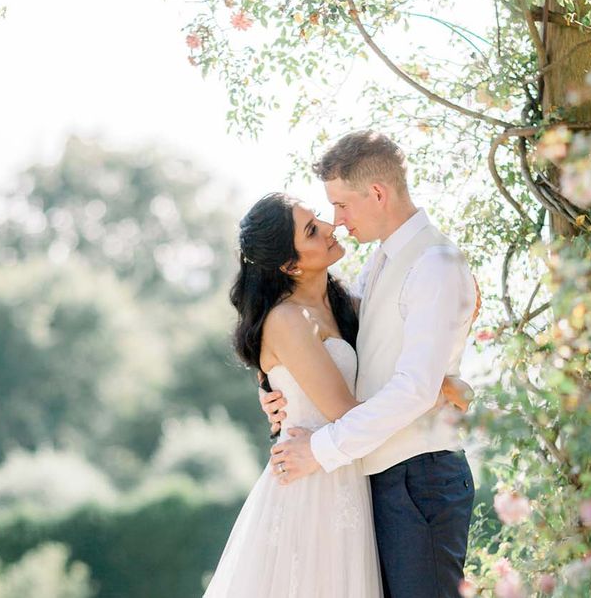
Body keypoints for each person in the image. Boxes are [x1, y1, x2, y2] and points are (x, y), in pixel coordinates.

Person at [203, 192, 472, 598]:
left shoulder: (345, 302)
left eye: (318, 219)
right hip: (313, 487)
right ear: (290, 265)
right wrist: (437, 391)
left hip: (349, 475)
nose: (330, 227)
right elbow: (346, 413)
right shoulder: (288, 319)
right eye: (312, 230)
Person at [265, 131, 478, 598]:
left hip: (420, 477)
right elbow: (339, 345)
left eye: (340, 205)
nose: (337, 223)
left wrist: (319, 450)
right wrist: (276, 388)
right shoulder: (382, 261)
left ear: (377, 193)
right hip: (380, 477)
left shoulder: (434, 264)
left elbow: (414, 390)